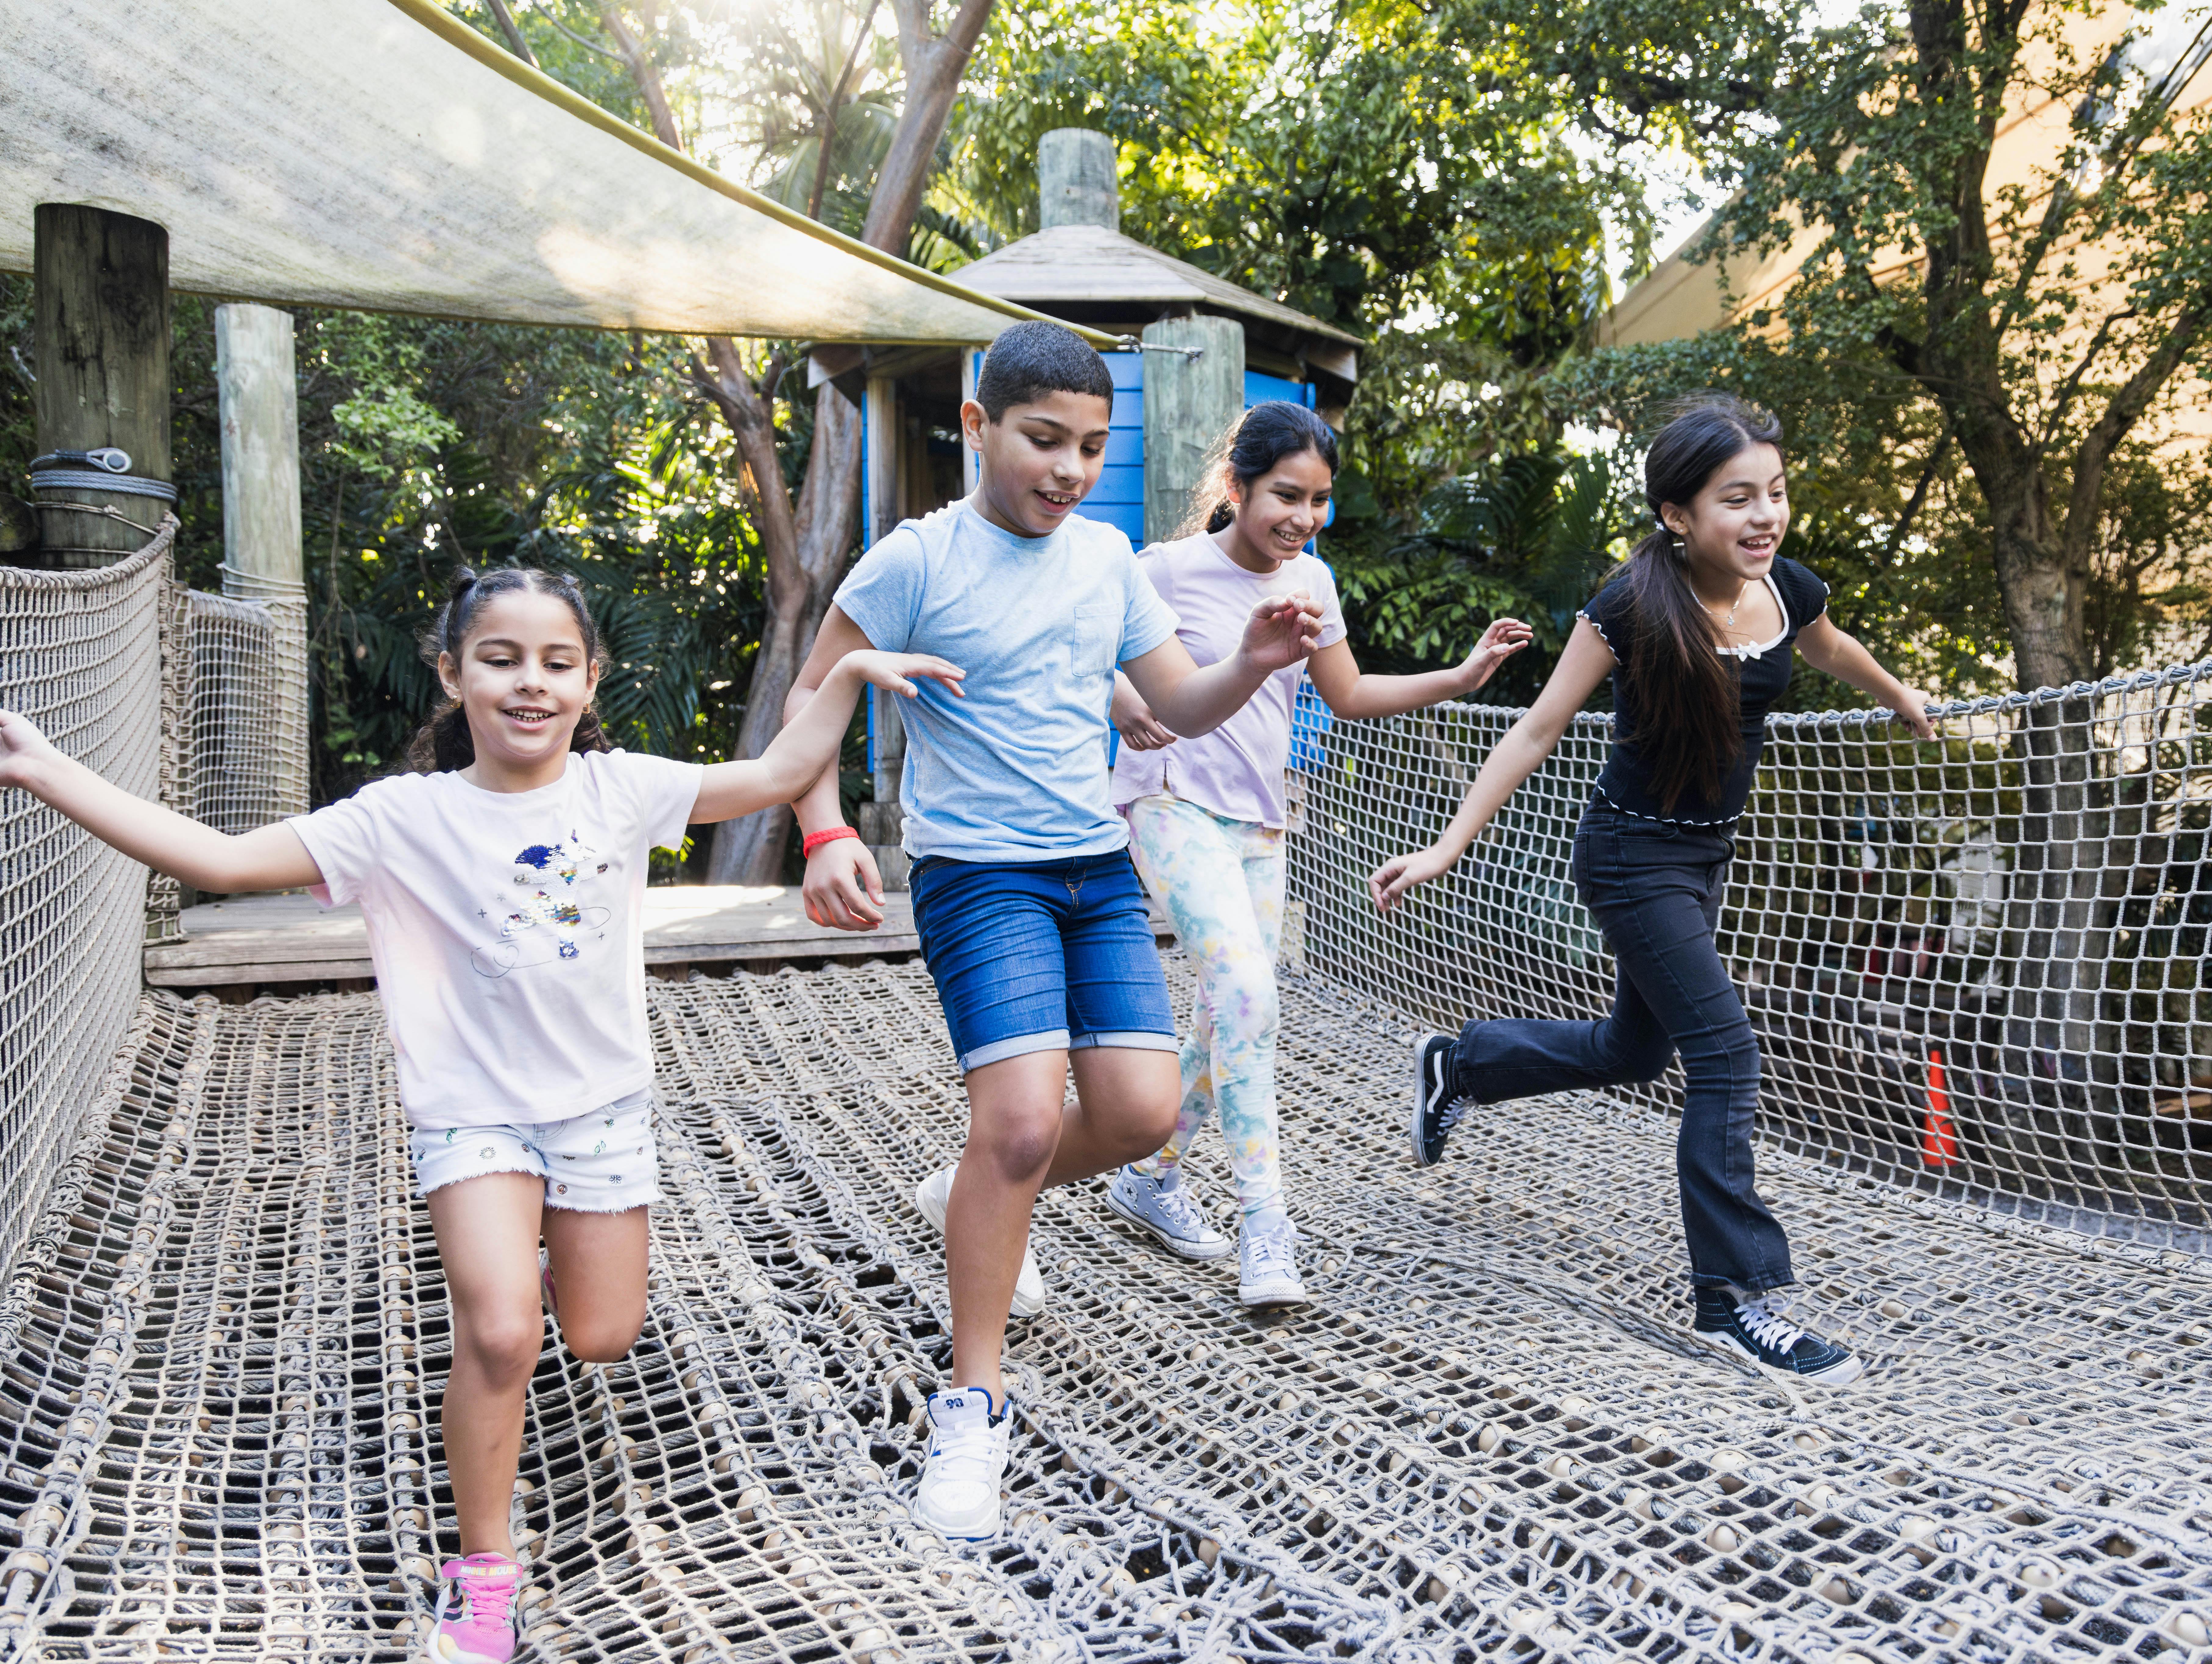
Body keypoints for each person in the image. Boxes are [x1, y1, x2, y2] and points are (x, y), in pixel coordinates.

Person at [0, 567, 959, 1664]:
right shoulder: (403, 819)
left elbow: (775, 772)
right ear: (453, 673)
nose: (529, 684)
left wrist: (852, 670)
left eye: (556, 663)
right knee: (499, 1331)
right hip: (472, 1116)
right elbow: (224, 861)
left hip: (600, 1109)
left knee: (601, 1332)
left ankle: (527, 1268)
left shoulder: (619, 791)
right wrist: (42, 768)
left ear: (588, 684)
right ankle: (483, 1575)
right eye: (500, 658)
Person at [782, 320, 1325, 1542]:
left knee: (1138, 1116)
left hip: (1092, 866)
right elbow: (816, 707)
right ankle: (971, 1404)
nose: (1071, 468)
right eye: (1044, 440)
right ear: (975, 427)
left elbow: (1175, 702)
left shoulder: (1107, 562)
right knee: (1022, 1125)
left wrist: (1245, 658)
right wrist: (825, 834)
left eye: (1089, 446)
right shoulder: (912, 561)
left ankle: (967, 1187)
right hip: (979, 875)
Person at [1369, 395, 1935, 1385]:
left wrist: (1900, 696)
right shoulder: (1631, 607)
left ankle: (1460, 1067)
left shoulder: (1788, 592)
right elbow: (1537, 729)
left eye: (1776, 494)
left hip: (1705, 855)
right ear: (1679, 515)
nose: (1765, 517)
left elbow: (1830, 649)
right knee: (1725, 1053)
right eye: (1736, 500)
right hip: (1631, 858)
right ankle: (1735, 1300)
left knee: (1635, 1050)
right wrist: (1450, 846)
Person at [1102, 402, 1530, 1307]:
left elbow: (1347, 693)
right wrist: (1119, 700)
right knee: (1250, 995)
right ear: (1237, 487)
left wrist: (1458, 678)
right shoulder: (1165, 571)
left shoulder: (1315, 582)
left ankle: (1149, 1178)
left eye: (1319, 500)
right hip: (1169, 805)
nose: (1302, 517)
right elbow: (1089, 654)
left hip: (1263, 826)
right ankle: (1269, 1225)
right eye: (1286, 495)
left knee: (1233, 1018)